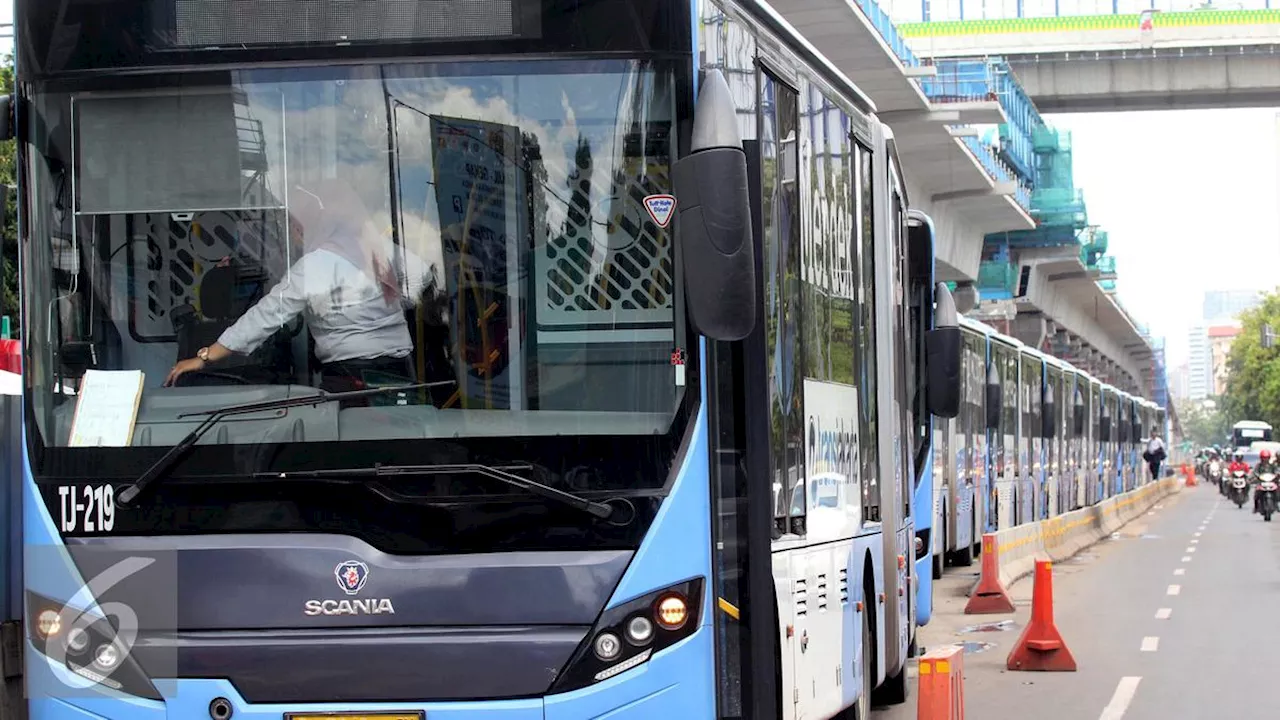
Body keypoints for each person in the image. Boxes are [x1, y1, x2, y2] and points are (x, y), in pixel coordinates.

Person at [165, 178, 446, 397]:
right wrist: (391, 305)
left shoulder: (313, 268)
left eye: (297, 226)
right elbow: (423, 280)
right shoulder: (379, 249)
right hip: (400, 371)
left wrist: (206, 356)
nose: (295, 234)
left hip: (351, 379)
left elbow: (264, 317)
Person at [1253, 449, 1278, 513]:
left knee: (1277, 491)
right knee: (1256, 493)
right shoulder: (1258, 465)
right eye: (1264, 458)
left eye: (1266, 458)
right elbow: (1255, 472)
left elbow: (1276, 471)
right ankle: (1256, 507)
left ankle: (1277, 504)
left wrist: (1276, 475)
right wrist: (1257, 476)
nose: (1265, 459)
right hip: (1262, 482)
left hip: (1271, 482)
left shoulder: (1272, 465)